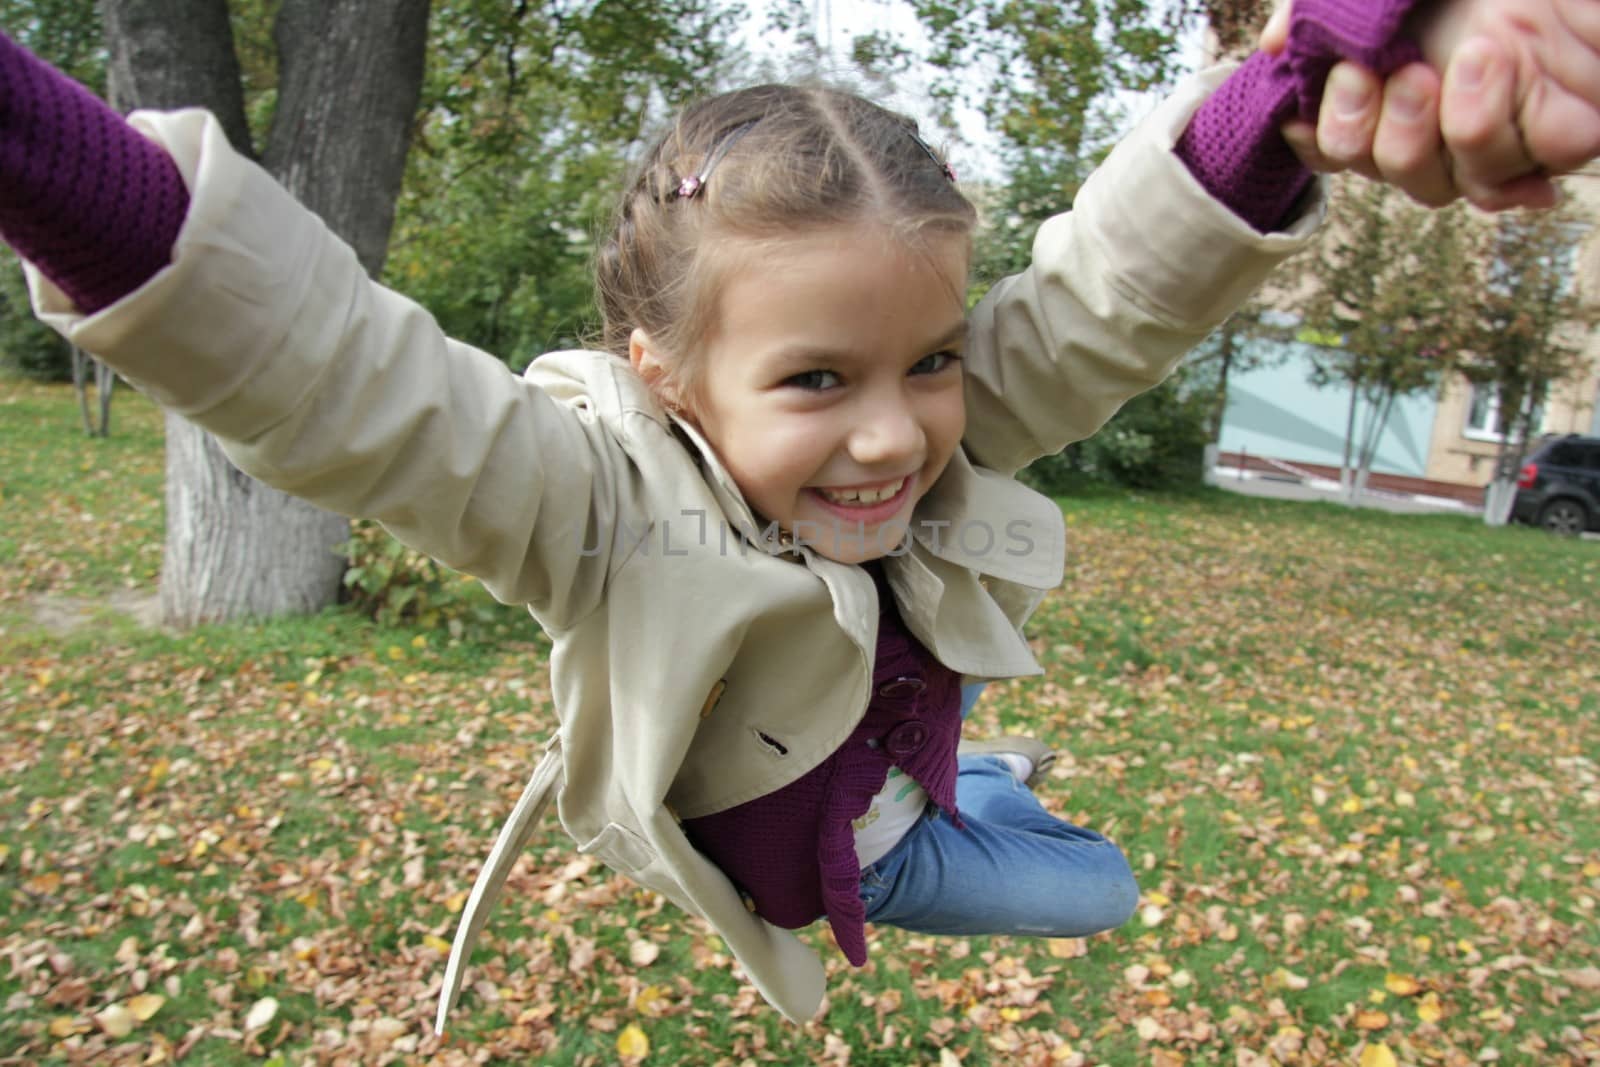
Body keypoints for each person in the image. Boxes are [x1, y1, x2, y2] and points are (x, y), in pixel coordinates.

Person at [2, 0, 1598, 1032]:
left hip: (886, 734)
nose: (893, 434)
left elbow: (1110, 302)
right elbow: (346, 378)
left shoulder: (921, 423)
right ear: (668, 372)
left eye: (931, 361)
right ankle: (935, 810)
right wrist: (32, 146)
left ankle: (950, 772)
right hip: (821, 845)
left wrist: (1299, 80)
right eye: (818, 379)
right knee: (1098, 887)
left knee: (977, 732)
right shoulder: (585, 507)